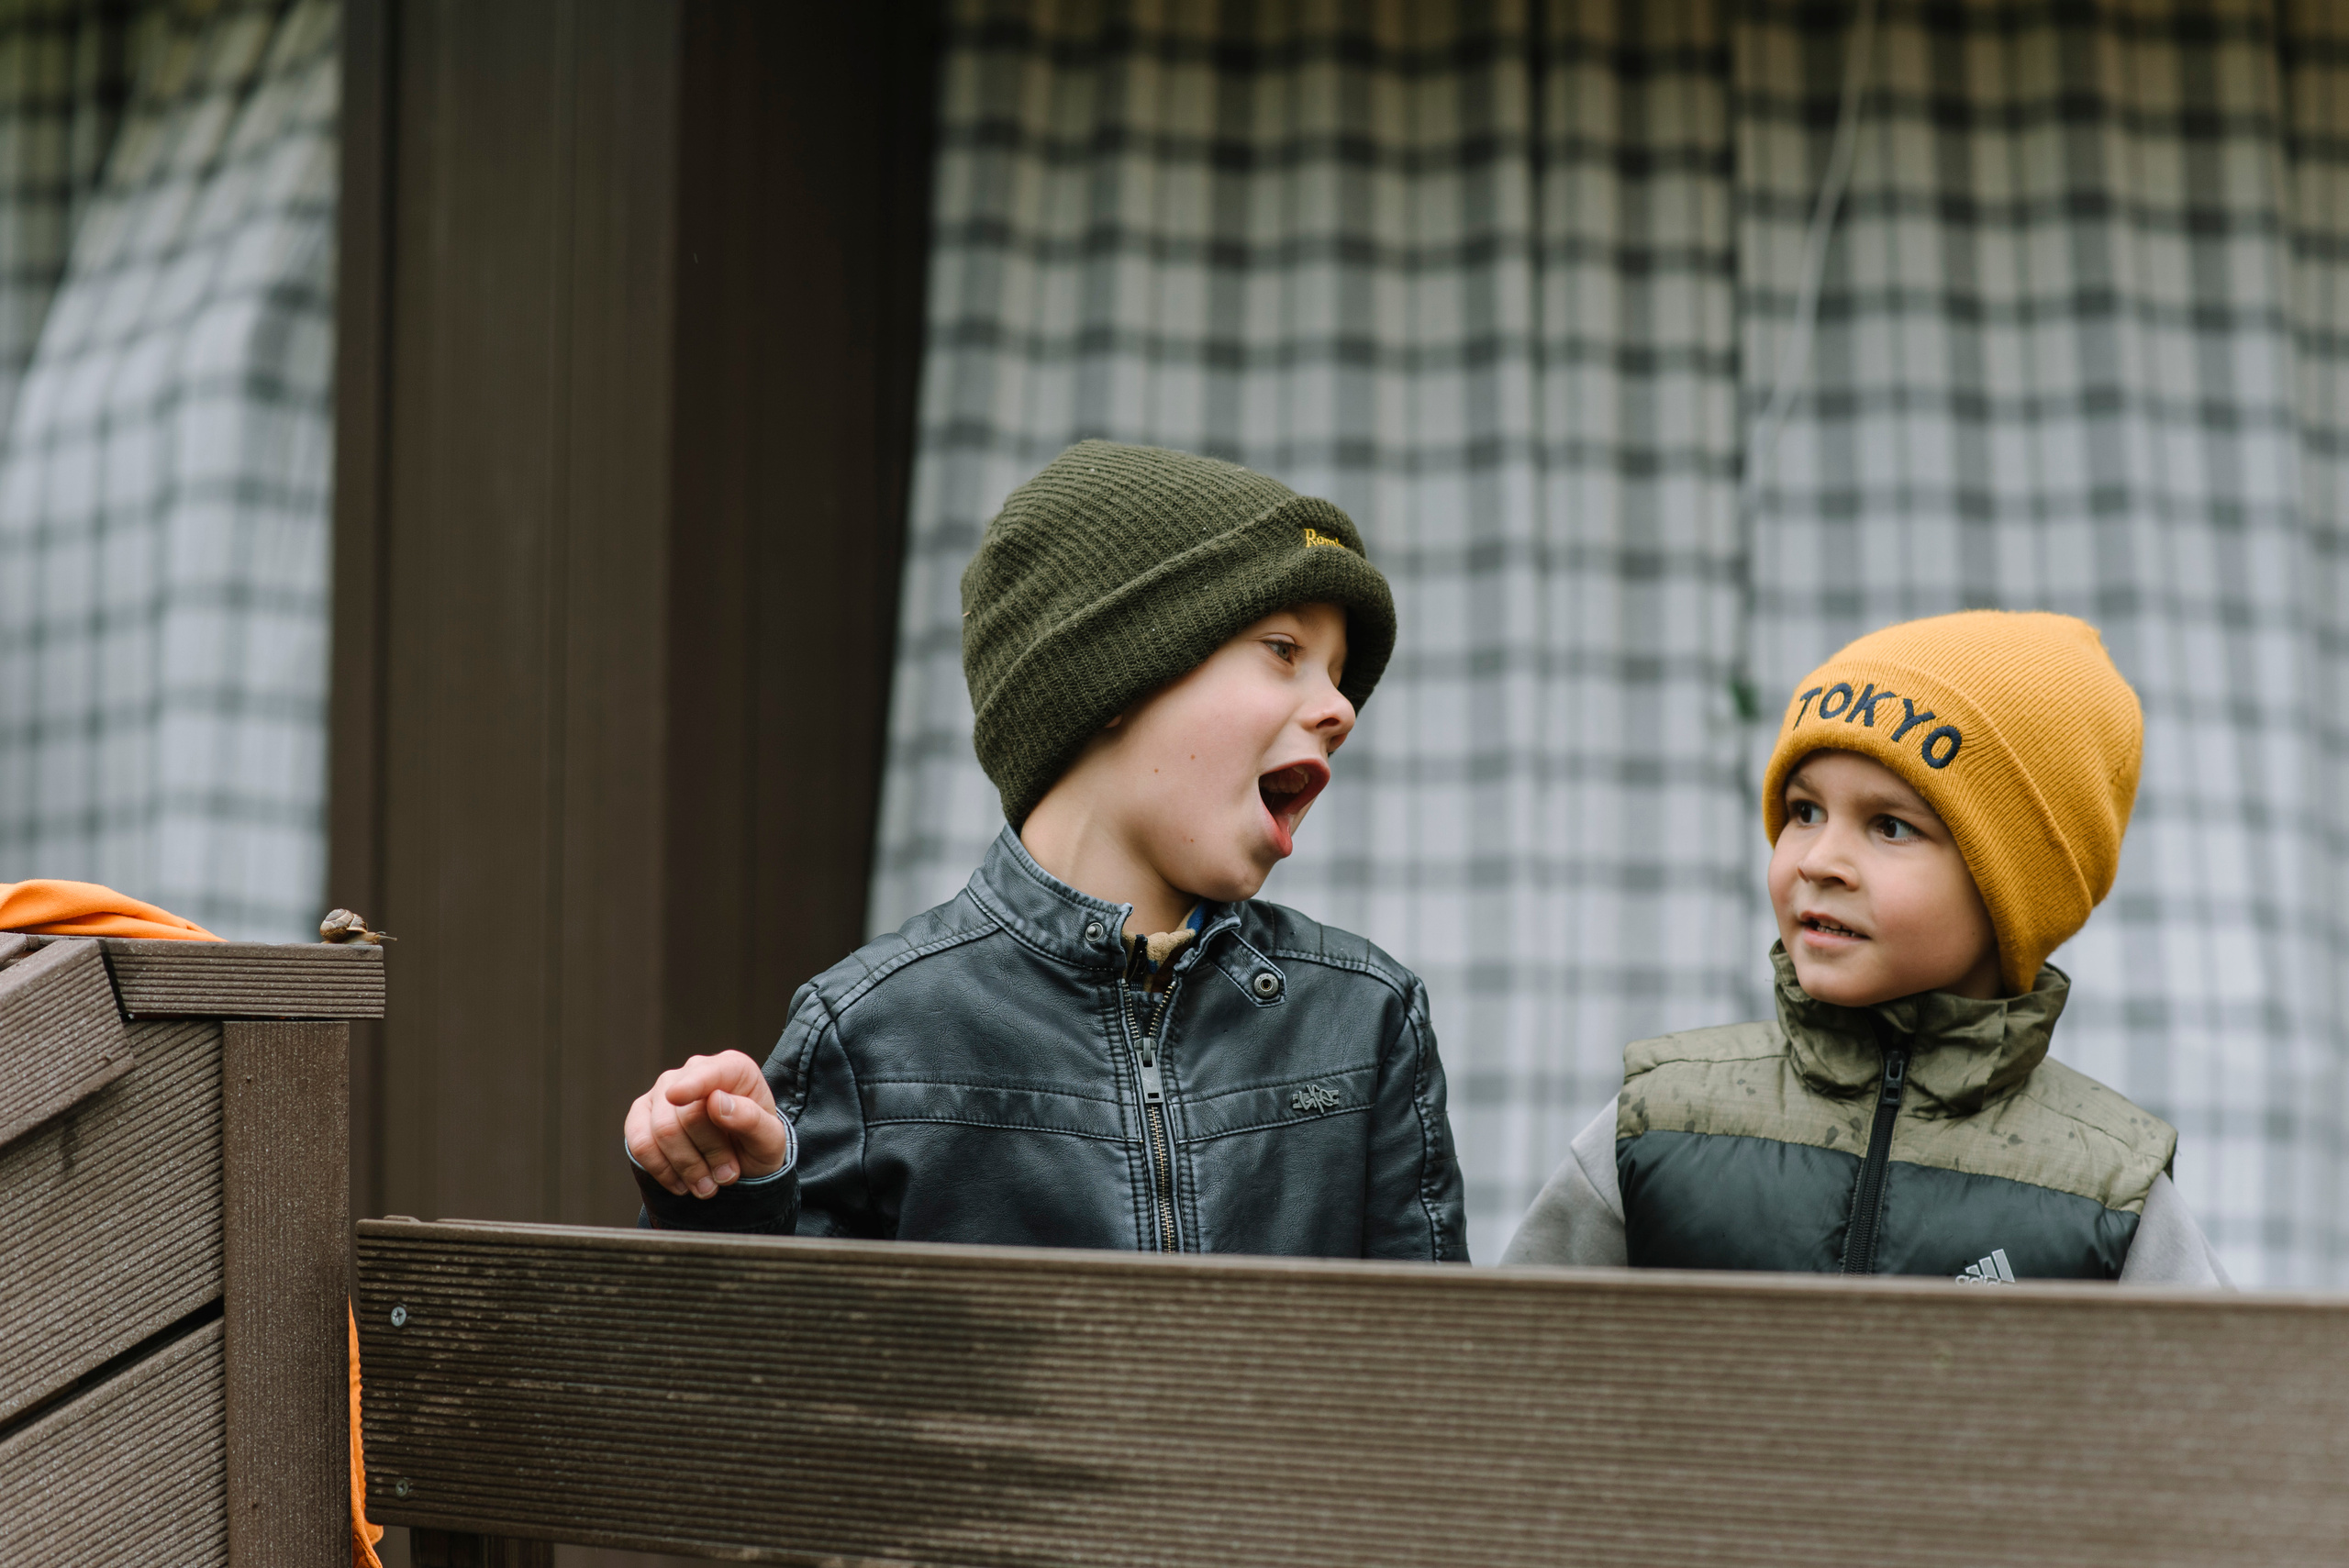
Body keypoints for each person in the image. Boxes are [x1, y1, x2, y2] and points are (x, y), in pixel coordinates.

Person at [623, 439, 1466, 1259]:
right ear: (1113, 673)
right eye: (1285, 651)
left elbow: (1436, 1371)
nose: (1340, 709)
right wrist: (735, 1193)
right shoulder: (874, 1032)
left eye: (1339, 672)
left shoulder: (1366, 1020)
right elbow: (771, 1371)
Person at [1503, 611, 2226, 1284]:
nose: (1820, 859)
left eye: (1889, 825)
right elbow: (1501, 1375)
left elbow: (2205, 1411)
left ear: (2015, 891)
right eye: (1804, 810)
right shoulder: (1656, 1122)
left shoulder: (2109, 1188)